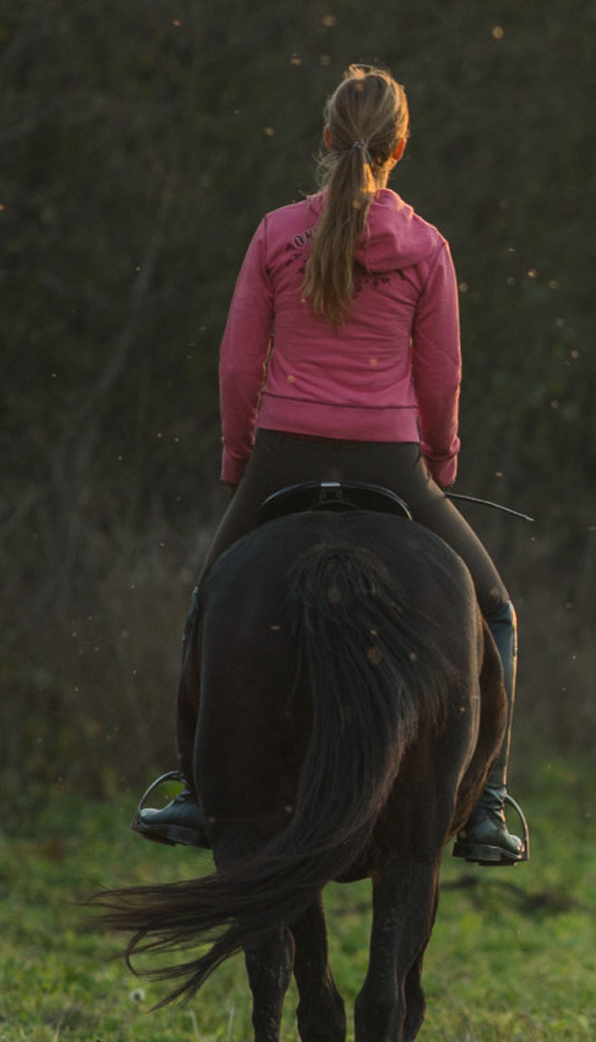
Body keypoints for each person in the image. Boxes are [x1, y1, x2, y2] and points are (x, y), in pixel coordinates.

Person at [133, 64, 525, 865]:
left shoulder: (276, 234)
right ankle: (488, 802)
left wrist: (240, 459)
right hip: (392, 459)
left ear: (325, 137)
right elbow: (441, 377)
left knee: (208, 600)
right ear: (400, 147)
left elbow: (238, 366)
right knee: (496, 612)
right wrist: (440, 462)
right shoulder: (426, 246)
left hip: (283, 453)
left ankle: (196, 789)